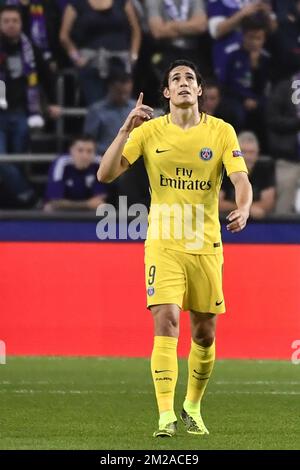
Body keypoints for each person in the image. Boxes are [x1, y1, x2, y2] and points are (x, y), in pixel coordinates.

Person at [97, 59, 252, 437]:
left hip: (205, 245)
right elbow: (105, 173)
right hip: (163, 243)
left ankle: (192, 406)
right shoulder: (149, 132)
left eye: (189, 79)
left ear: (199, 90)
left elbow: (240, 179)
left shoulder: (221, 132)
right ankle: (165, 415)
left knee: (205, 333)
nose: (183, 83)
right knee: (165, 320)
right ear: (166, 93)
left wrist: (244, 207)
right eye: (175, 79)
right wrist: (124, 129)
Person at [220, 131, 275, 218]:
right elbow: (218, 203)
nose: (248, 157)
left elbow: (268, 203)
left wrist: (244, 210)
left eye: (251, 152)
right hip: (227, 218)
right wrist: (245, 209)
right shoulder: (225, 167)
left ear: (258, 153)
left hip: (257, 220)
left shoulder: (265, 168)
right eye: (243, 152)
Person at [44, 134, 107, 211]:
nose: (85, 156)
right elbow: (55, 201)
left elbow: (98, 200)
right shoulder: (61, 163)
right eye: (80, 150)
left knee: (102, 207)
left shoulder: (99, 164)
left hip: (89, 212)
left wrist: (90, 204)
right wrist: (86, 204)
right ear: (71, 150)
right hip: (63, 210)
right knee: (49, 208)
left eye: (89, 151)